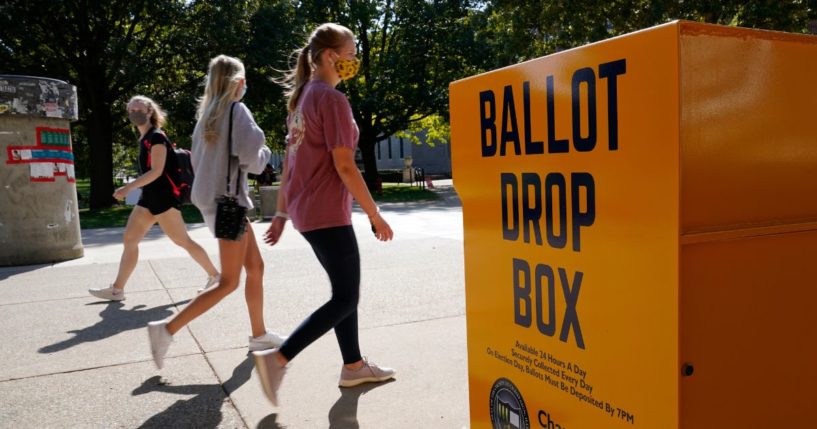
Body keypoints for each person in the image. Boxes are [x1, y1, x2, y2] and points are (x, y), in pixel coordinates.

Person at [255, 23, 395, 406]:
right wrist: (374, 214)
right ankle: (277, 360)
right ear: (331, 56)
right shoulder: (331, 100)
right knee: (346, 297)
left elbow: (291, 165)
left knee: (342, 292)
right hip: (326, 212)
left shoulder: (302, 99)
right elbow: (345, 165)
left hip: (306, 211)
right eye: (350, 54)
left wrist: (283, 211)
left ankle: (353, 366)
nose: (354, 61)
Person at [146, 55, 285, 369]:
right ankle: (166, 330)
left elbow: (197, 162)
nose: (246, 86)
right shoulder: (236, 110)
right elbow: (254, 159)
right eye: (245, 80)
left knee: (256, 267)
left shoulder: (207, 116)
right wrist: (264, 152)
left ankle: (259, 335)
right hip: (229, 204)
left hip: (216, 202)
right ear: (238, 82)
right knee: (229, 281)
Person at [88, 95, 220, 302]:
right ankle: (117, 290)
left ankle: (215, 276)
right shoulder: (145, 138)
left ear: (150, 112)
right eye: (131, 110)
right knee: (130, 239)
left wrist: (128, 188)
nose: (134, 113)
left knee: (182, 240)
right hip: (149, 198)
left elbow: (157, 171)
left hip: (163, 199)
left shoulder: (157, 137)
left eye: (138, 109)